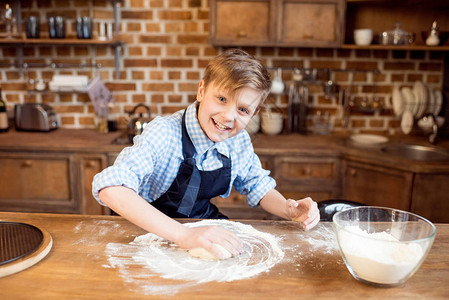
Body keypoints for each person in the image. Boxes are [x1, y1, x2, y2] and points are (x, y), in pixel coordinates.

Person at [92, 49, 320, 259]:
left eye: (243, 110)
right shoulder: (164, 133)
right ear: (201, 90)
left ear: (254, 113)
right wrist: (182, 235)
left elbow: (257, 184)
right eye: (221, 99)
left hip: (200, 224)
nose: (228, 117)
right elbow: (112, 190)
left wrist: (289, 210)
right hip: (145, 230)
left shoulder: (238, 141)